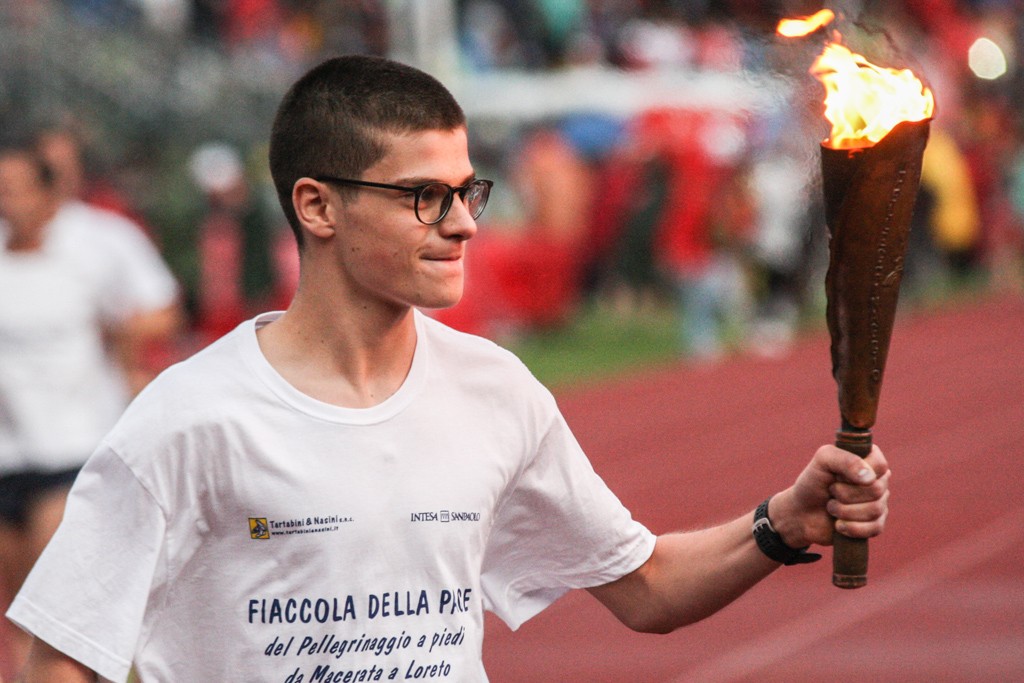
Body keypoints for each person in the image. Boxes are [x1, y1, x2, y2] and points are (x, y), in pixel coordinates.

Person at [8, 56, 890, 683]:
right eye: (424, 196)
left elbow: (646, 586)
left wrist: (785, 521)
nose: (464, 223)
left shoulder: (497, 389)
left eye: (469, 190)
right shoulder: (190, 417)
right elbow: (61, 654)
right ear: (317, 206)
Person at [0, 136, 182, 676]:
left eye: (15, 188)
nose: (6, 200)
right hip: (9, 449)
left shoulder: (93, 247)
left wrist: (125, 354)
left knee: (55, 610)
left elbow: (156, 310)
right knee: (17, 609)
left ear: (48, 193)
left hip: (73, 444)